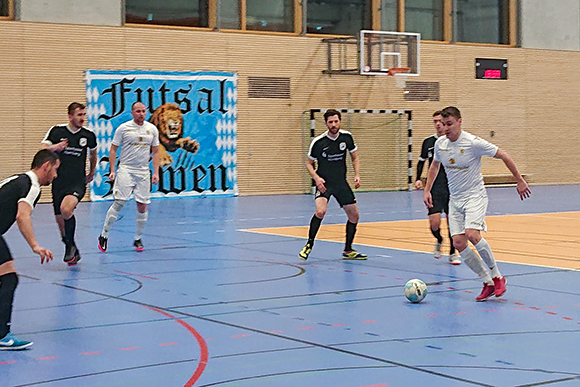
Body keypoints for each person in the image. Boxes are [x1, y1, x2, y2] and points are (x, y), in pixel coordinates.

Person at [423, 106, 531, 301]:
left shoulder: (473, 143)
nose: (446, 128)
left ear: (459, 122)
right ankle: (487, 282)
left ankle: (497, 276)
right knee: (458, 242)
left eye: (449, 124)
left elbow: (504, 155)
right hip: (454, 199)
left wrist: (519, 180)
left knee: (472, 234)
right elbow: (435, 165)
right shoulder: (440, 144)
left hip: (475, 195)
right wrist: (427, 189)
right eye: (443, 124)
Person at [0, 150, 59, 350]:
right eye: (56, 170)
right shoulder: (32, 186)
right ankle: (2, 336)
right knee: (9, 278)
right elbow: (22, 216)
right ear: (46, 166)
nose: (56, 176)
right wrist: (35, 246)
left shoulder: (17, 179)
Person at [299, 109, 367, 261]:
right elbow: (309, 163)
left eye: (336, 121)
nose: (333, 124)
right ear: (326, 123)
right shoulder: (318, 142)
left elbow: (354, 158)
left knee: (354, 216)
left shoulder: (347, 137)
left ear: (340, 121)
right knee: (321, 212)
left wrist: (357, 174)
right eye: (330, 122)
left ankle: (348, 250)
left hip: (341, 183)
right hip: (324, 183)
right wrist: (316, 178)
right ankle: (309, 244)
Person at [98, 101, 160, 252]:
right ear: (132, 113)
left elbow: (156, 151)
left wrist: (156, 172)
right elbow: (113, 150)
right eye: (138, 111)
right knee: (120, 202)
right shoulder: (124, 128)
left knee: (142, 205)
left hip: (143, 171)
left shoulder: (151, 129)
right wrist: (112, 170)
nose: (141, 114)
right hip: (126, 169)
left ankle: (138, 238)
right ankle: (104, 234)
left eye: (143, 111)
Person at [41, 102, 97, 265]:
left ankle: (69, 249)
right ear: (70, 116)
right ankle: (72, 247)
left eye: (84, 115)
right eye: (79, 115)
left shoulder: (88, 136)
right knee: (62, 228)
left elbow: (93, 155)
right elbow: (42, 149)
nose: (82, 118)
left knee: (66, 209)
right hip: (58, 182)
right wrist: (55, 147)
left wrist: (91, 172)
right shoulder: (57, 131)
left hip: (77, 182)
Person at [415, 111, 461, 265]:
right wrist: (418, 179)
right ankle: (439, 240)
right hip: (435, 188)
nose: (438, 124)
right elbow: (422, 162)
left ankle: (453, 253)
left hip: (451, 187)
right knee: (434, 223)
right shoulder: (429, 142)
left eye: (440, 121)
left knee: (451, 222)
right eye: (434, 121)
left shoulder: (453, 142)